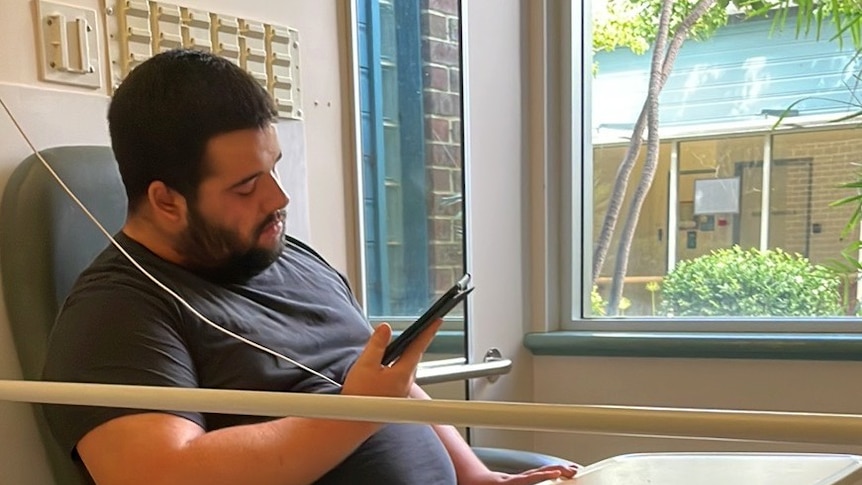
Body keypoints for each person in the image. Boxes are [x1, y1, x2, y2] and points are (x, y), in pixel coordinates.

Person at [41, 49, 577, 485]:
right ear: (166, 201)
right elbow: (160, 473)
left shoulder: (290, 256)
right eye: (246, 186)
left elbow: (387, 385)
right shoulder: (117, 313)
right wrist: (356, 413)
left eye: (272, 169)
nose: (278, 198)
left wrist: (474, 475)